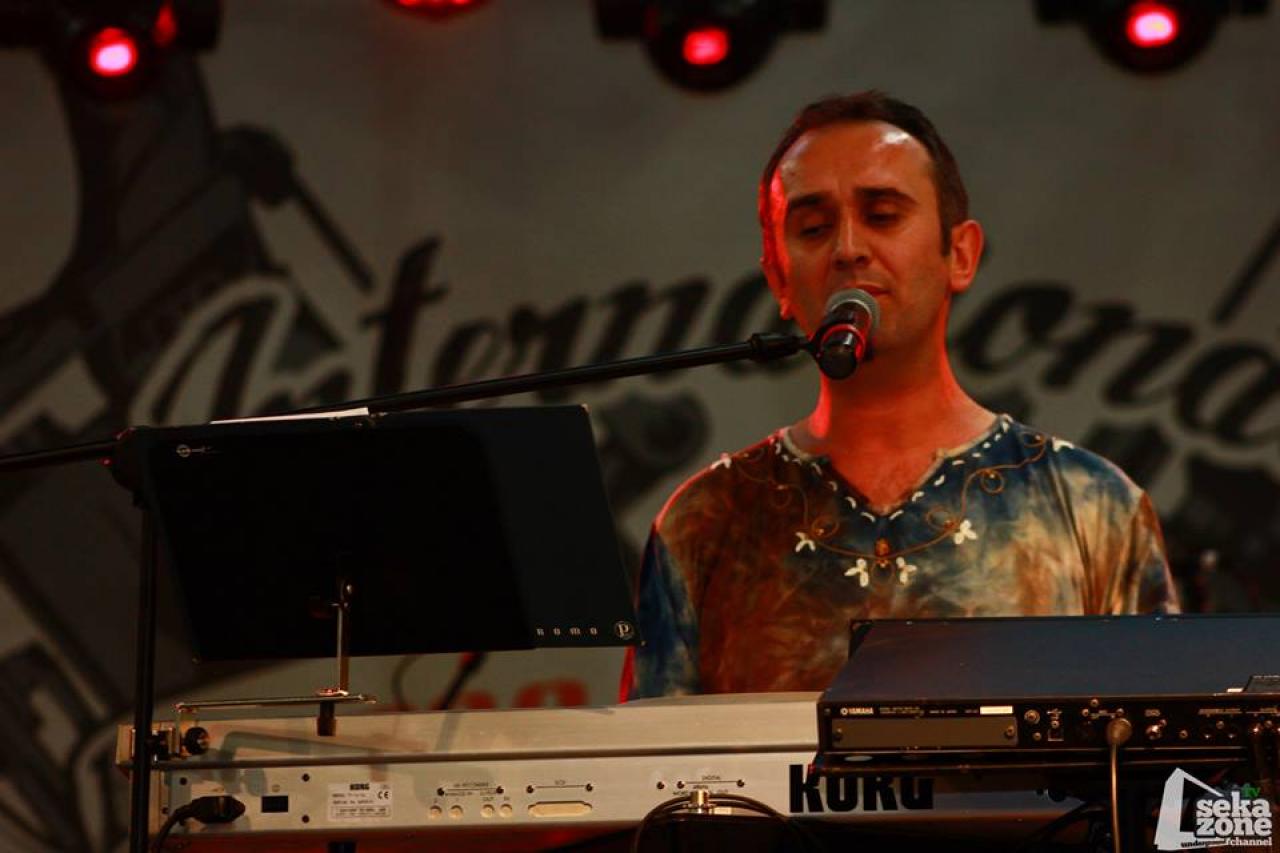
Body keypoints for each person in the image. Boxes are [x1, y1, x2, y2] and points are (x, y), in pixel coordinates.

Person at [622, 91, 1179, 699]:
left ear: (960, 255)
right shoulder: (705, 518)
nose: (848, 249)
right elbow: (649, 753)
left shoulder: (1094, 505)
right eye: (813, 228)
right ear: (779, 277)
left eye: (883, 216)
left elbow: (1163, 745)